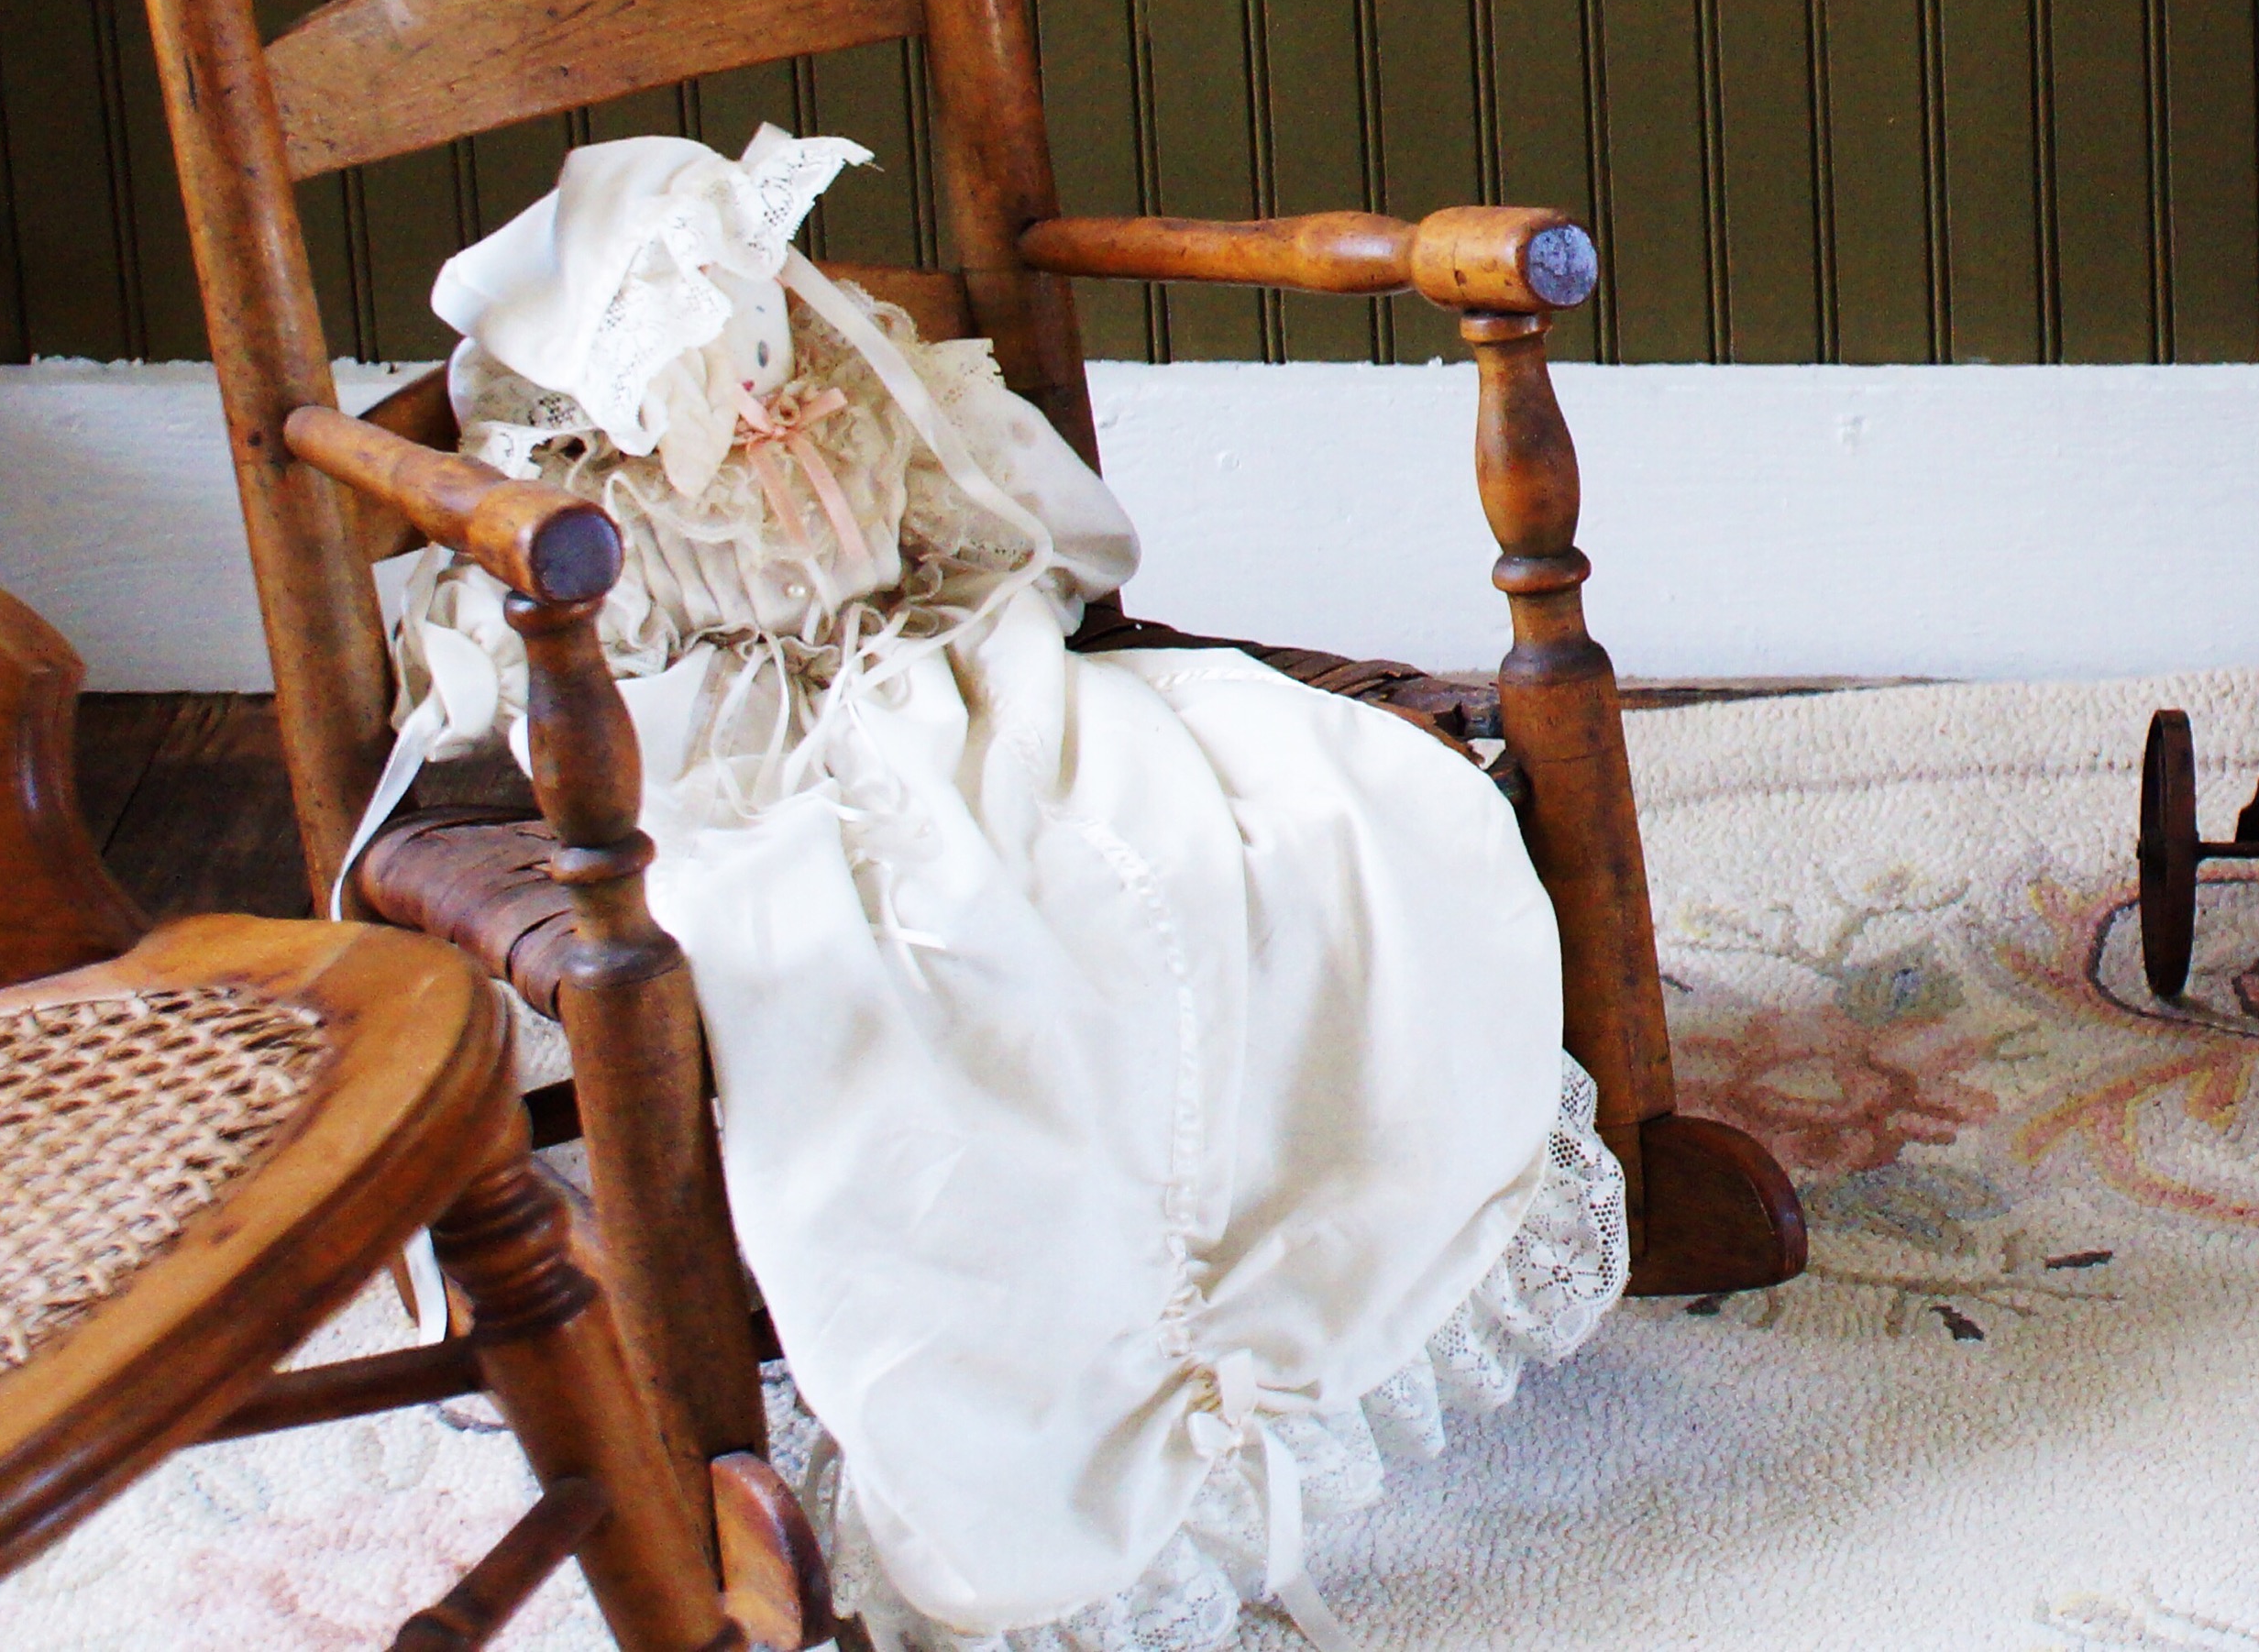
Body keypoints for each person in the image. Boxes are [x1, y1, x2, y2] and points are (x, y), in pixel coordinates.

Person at [366, 127, 1625, 1650]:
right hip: (719, 745)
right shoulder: (581, 482)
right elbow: (498, 663)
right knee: (886, 961)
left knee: (1336, 814)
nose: (745, 369)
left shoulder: (856, 388)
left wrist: (994, 574)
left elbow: (1023, 523)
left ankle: (1324, 1274)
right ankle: (1027, 1423)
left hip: (945, 657)